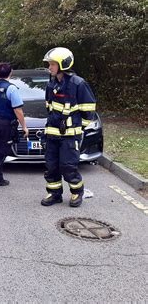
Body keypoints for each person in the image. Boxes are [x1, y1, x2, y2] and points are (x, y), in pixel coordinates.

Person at [41, 47, 97, 207]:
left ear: (63, 64)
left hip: (70, 136)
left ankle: (77, 193)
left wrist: (78, 128)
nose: (49, 67)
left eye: (52, 64)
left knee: (68, 166)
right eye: (49, 64)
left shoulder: (78, 84)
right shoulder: (51, 84)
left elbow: (89, 111)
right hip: (52, 134)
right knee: (51, 166)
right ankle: (54, 193)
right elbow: (49, 107)